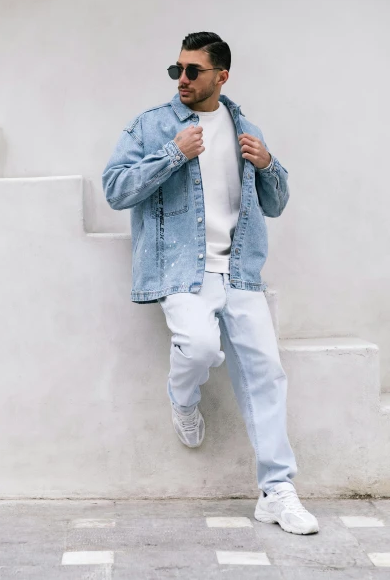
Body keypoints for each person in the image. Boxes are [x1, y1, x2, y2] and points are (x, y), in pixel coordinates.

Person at [102, 32, 319, 535]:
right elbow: (116, 189)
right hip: (181, 268)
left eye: (193, 71)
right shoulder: (152, 126)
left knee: (267, 374)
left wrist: (269, 166)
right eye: (176, 69)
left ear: (221, 76)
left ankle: (277, 491)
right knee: (199, 347)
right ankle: (183, 399)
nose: (182, 79)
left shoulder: (245, 126)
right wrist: (174, 154)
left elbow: (276, 203)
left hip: (239, 269)